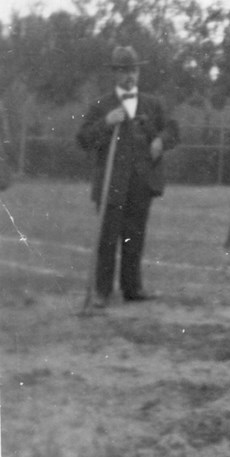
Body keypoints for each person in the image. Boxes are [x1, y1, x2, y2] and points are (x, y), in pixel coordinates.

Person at [76, 45, 179, 308]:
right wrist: (106, 122)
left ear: (138, 72)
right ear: (115, 74)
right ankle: (102, 292)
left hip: (141, 184)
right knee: (107, 240)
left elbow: (173, 130)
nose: (129, 75)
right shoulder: (101, 105)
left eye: (133, 70)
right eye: (123, 71)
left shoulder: (152, 104)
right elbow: (83, 139)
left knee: (135, 238)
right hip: (111, 184)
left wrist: (160, 141)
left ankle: (133, 289)